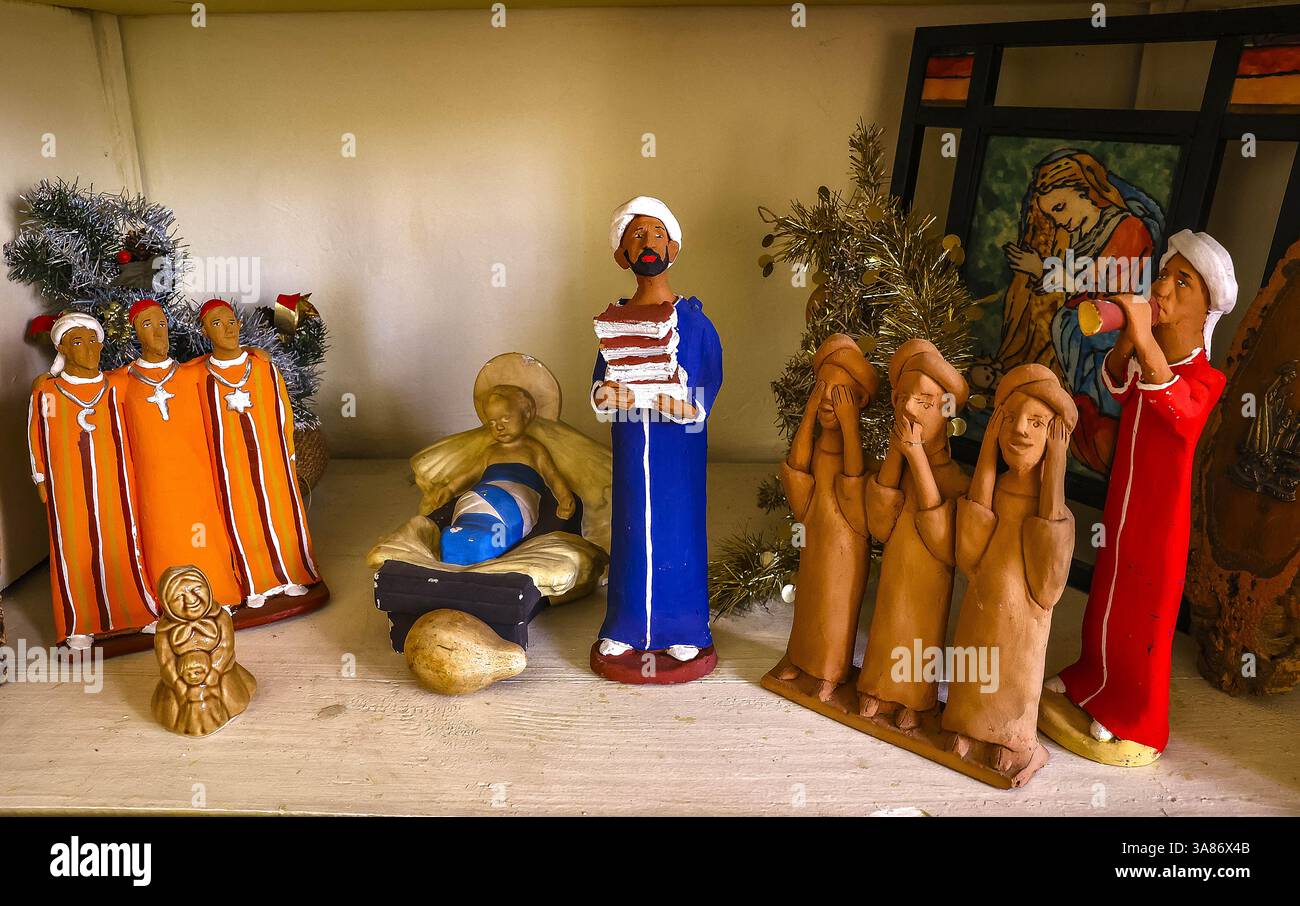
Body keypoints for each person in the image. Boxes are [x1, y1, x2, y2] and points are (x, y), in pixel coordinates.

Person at [1047, 230, 1235, 761]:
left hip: (1159, 521)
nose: (1164, 287)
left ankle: (1133, 715)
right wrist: (1128, 337)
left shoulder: (1207, 379)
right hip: (1122, 507)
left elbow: (1176, 410)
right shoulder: (1150, 355)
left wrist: (1144, 338)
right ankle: (1089, 678)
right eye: (1165, 274)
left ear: (1206, 306)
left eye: (1183, 281)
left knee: (1142, 614)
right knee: (1106, 596)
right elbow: (1117, 384)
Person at [590, 197, 722, 676]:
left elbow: (704, 391)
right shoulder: (615, 323)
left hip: (678, 452)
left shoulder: (694, 324)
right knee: (630, 530)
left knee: (678, 531)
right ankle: (625, 626)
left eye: (658, 234)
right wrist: (605, 396)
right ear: (622, 254)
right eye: (637, 236)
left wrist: (663, 401)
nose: (648, 244)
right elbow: (601, 382)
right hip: (630, 444)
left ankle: (684, 629)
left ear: (674, 248)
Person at [943, 364, 1076, 777]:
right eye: (1011, 418)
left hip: (1022, 627)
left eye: (1036, 423)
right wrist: (986, 451)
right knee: (973, 659)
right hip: (981, 609)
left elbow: (1046, 589)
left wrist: (1055, 469)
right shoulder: (995, 490)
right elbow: (970, 553)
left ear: (1055, 438)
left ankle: (1009, 737)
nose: (1020, 430)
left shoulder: (1054, 514)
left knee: (1015, 670)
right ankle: (966, 726)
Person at [996, 149, 1162, 472]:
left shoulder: (1127, 228)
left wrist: (1043, 268)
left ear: (1084, 189)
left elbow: (1108, 283)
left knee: (1099, 415)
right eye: (1052, 215)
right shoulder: (1080, 236)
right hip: (1081, 346)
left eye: (1060, 207)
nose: (1060, 220)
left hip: (1107, 345)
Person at [27, 312, 158, 648]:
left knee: (123, 542)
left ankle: (138, 613)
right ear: (62, 349)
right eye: (77, 342)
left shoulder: (116, 384)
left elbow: (156, 370)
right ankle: (79, 623)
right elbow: (35, 434)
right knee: (73, 547)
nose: (87, 349)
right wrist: (40, 476)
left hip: (116, 480)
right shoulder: (48, 393)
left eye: (92, 341)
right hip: (67, 484)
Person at [856, 339, 968, 727]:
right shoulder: (896, 468)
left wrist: (917, 456)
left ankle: (915, 701)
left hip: (928, 584)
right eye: (903, 398)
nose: (908, 409)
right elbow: (879, 524)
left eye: (923, 402)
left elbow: (946, 544)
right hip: (895, 574)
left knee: (921, 632)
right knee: (888, 623)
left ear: (946, 412)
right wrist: (897, 452)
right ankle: (876, 688)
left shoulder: (954, 479)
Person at [108, 299, 245, 607]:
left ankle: (218, 591)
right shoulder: (122, 382)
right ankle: (170, 600)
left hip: (197, 479)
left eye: (162, 324)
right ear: (134, 333)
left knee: (205, 535)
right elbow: (85, 384)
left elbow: (228, 361)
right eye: (147, 325)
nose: (158, 333)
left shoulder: (192, 374)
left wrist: (255, 353)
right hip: (154, 485)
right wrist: (47, 378)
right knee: (163, 536)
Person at [187, 298, 320, 606]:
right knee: (241, 520)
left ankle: (292, 574)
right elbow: (165, 372)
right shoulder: (198, 376)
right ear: (204, 331)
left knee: (282, 516)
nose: (228, 329)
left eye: (231, 322)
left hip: (271, 459)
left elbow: (283, 413)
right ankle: (255, 582)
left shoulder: (263, 368)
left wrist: (289, 453)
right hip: (230, 465)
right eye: (216, 324)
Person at [771, 334, 879, 701]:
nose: (828, 399)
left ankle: (830, 672)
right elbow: (797, 467)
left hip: (845, 546)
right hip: (814, 536)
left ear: (859, 401)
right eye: (823, 388)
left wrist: (850, 427)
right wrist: (808, 413)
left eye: (840, 392)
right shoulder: (818, 445)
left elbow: (853, 484)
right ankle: (799, 659)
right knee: (810, 601)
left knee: (836, 605)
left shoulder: (855, 453)